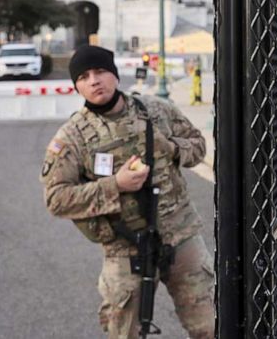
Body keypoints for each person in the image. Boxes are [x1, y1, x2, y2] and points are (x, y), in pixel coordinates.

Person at [42, 45, 215, 338]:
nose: (94, 80)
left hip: (180, 235)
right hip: (125, 247)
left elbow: (198, 146)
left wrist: (171, 148)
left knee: (210, 326)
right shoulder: (72, 137)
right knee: (124, 332)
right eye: (84, 77)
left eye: (100, 71)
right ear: (77, 86)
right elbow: (56, 199)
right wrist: (115, 186)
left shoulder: (157, 110)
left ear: (115, 76)